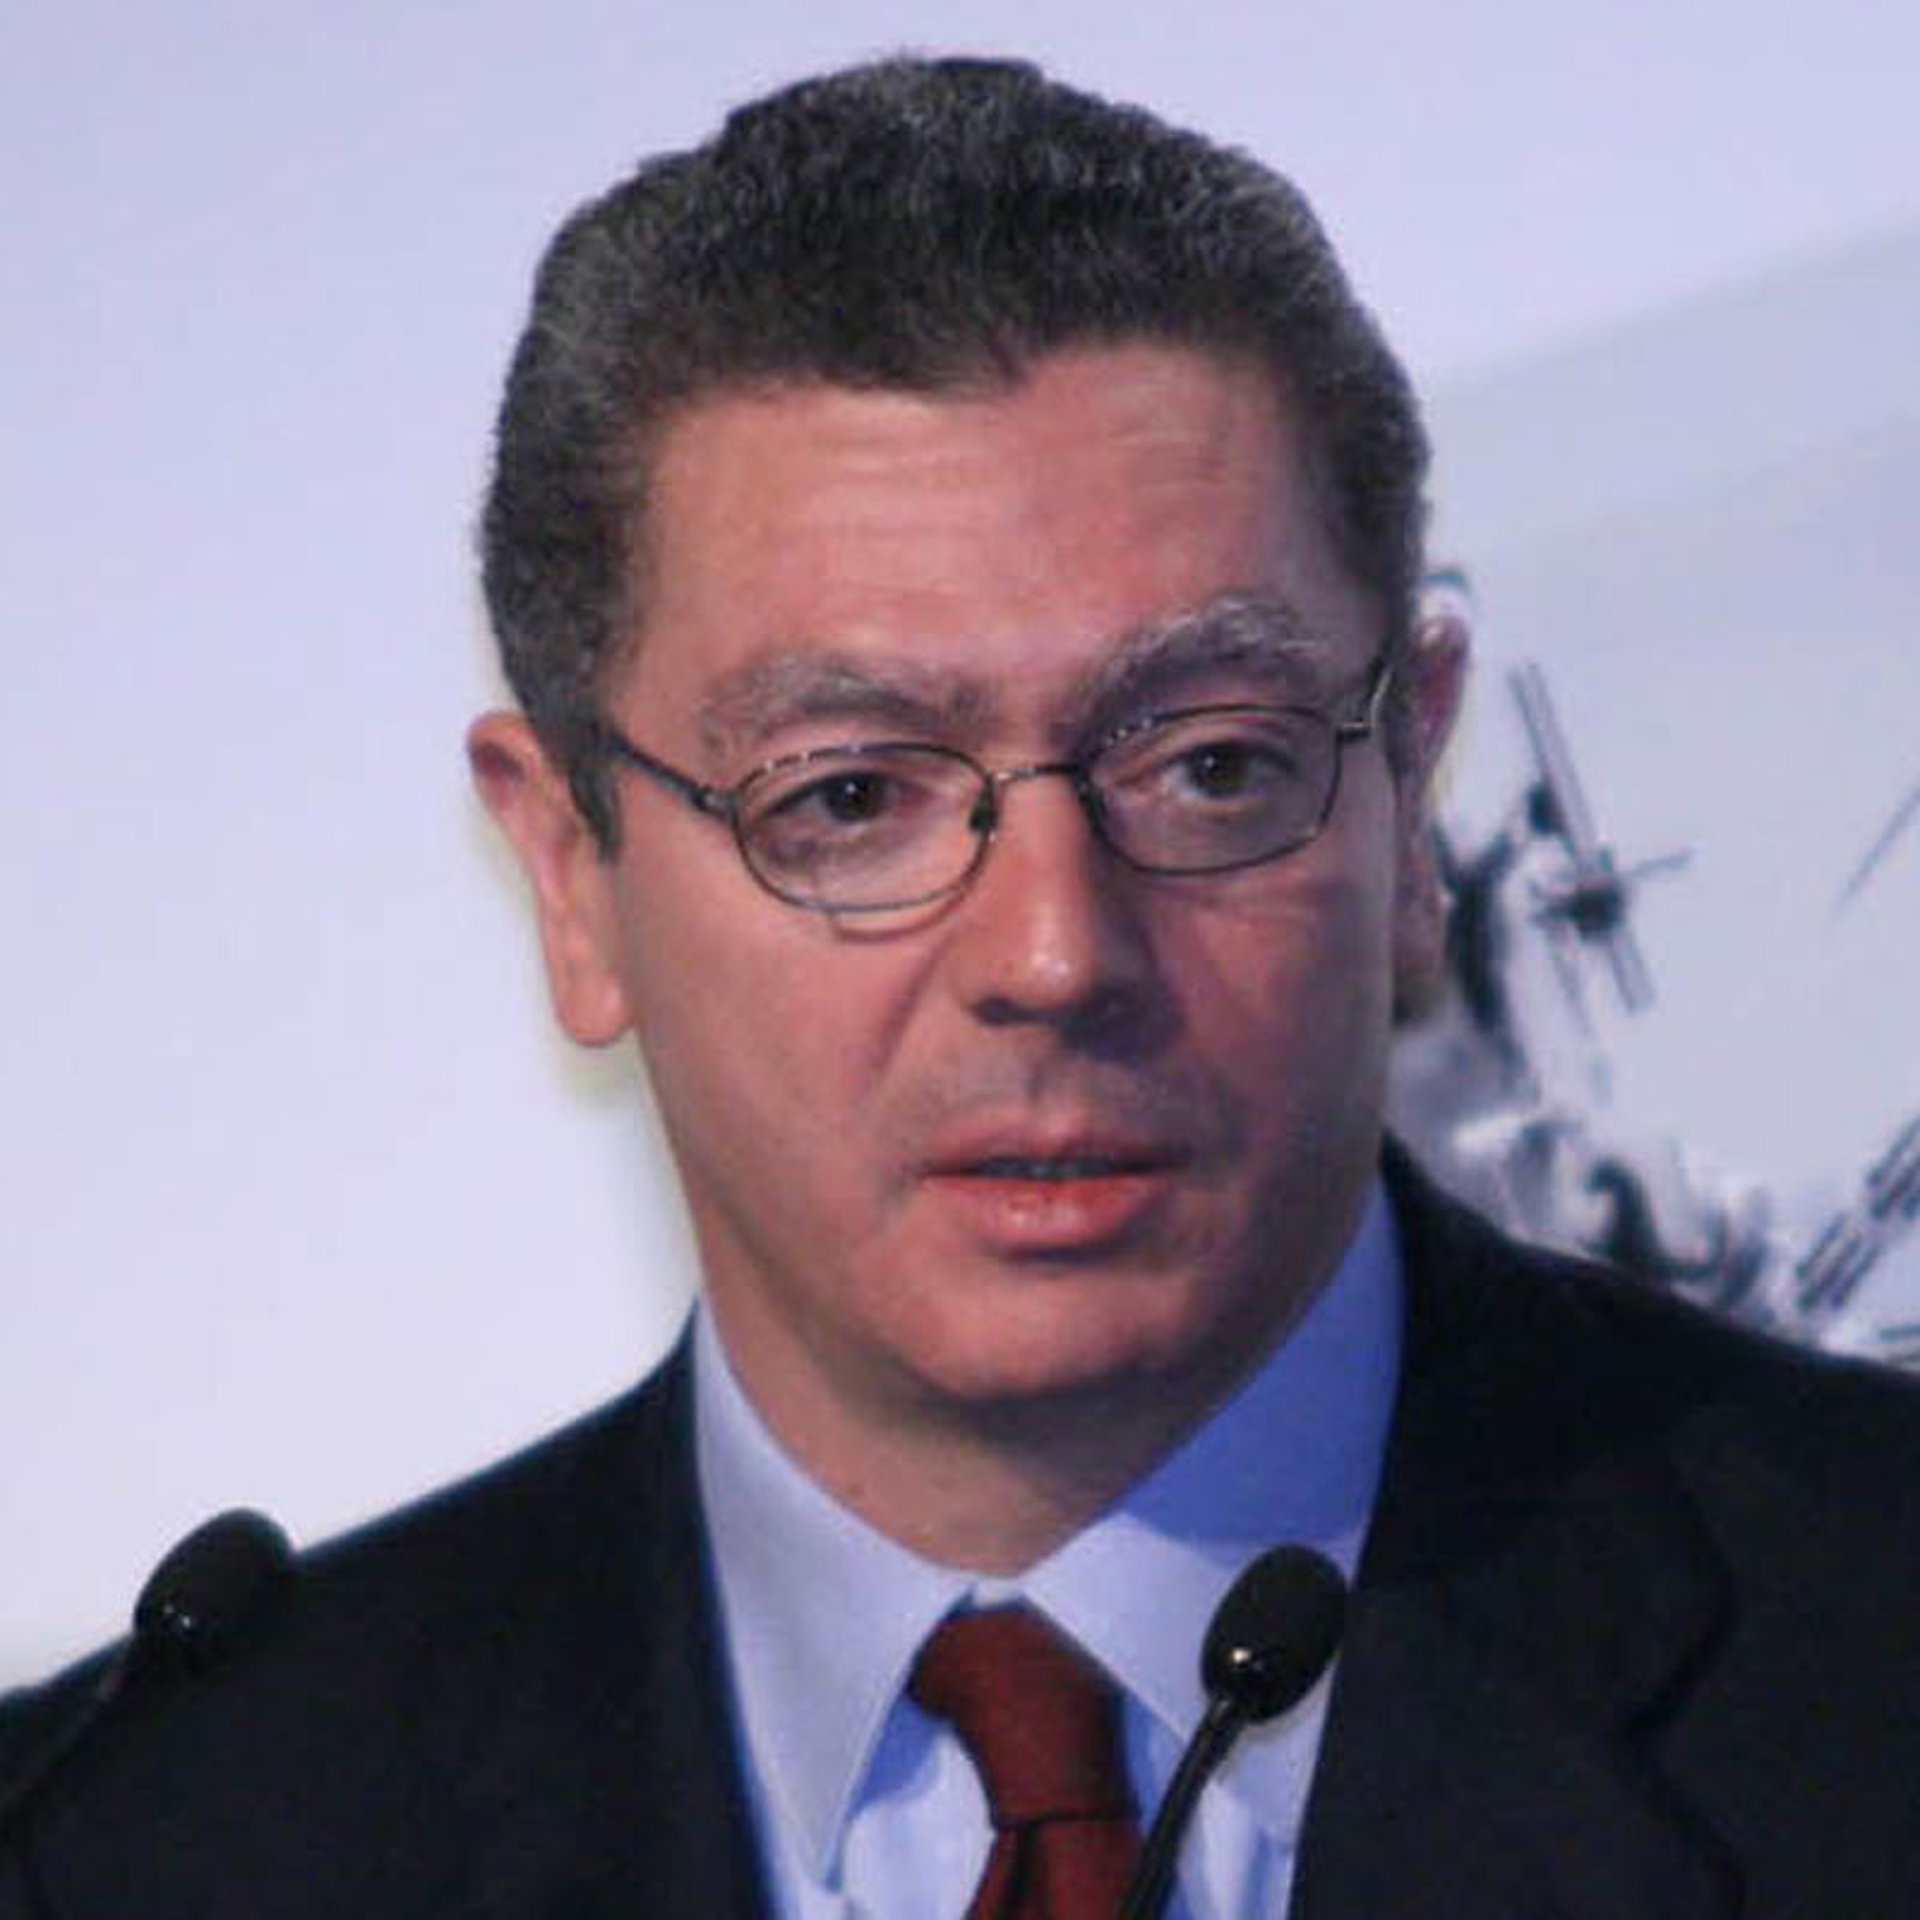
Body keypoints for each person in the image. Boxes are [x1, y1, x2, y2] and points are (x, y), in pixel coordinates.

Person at [3, 54, 1918, 1920]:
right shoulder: (134, 1843)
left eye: (1211, 765)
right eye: (847, 799)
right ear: (573, 874)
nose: (1055, 958)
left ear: (1410, 794)